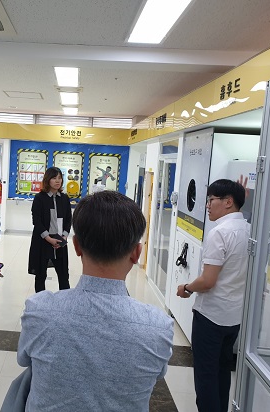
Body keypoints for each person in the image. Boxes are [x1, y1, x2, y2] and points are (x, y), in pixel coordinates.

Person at [17, 191, 174, 411]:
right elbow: (159, 373)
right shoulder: (158, 326)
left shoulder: (39, 311)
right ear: (136, 253)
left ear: (76, 246)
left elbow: (23, 360)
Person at [176, 179, 250, 412]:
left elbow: (208, 281)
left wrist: (186, 287)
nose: (207, 205)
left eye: (211, 200)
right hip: (234, 317)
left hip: (211, 317)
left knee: (206, 376)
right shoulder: (249, 230)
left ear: (228, 202)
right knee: (222, 371)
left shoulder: (220, 233)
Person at [28, 167, 72, 292]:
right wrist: (48, 238)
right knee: (40, 275)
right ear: (48, 180)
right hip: (43, 241)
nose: (57, 181)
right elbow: (37, 221)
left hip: (60, 241)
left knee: (64, 275)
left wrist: (64, 236)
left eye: (59, 178)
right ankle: (40, 300)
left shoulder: (64, 198)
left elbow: (68, 219)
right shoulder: (40, 198)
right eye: (54, 178)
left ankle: (64, 300)